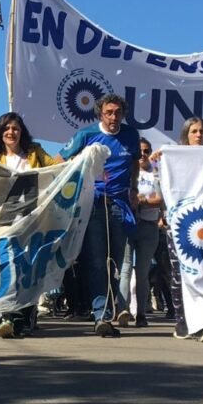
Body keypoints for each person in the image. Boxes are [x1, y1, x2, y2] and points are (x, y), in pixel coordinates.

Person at [59, 94, 139, 338]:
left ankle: (110, 309)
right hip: (92, 205)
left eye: (117, 112)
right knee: (96, 261)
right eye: (109, 112)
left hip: (119, 206)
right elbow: (60, 160)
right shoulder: (86, 135)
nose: (113, 117)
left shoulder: (131, 135)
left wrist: (134, 188)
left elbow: (135, 162)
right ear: (100, 113)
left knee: (115, 263)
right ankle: (100, 316)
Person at [0, 112, 60, 338]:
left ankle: (26, 313)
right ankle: (8, 315)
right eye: (6, 128)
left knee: (28, 267)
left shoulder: (34, 153)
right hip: (5, 223)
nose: (11, 132)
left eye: (15, 128)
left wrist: (83, 159)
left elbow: (57, 168)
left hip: (33, 221)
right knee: (8, 265)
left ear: (21, 132)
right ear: (0, 132)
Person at [152, 117, 203, 343]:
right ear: (186, 134)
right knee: (179, 273)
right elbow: (162, 187)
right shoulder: (174, 157)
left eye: (202, 131)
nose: (198, 135)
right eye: (194, 131)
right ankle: (182, 320)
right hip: (179, 225)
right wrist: (157, 161)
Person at [119, 138, 163, 327]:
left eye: (146, 151)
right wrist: (140, 199)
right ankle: (123, 309)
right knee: (125, 268)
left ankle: (142, 313)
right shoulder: (127, 174)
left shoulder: (155, 175)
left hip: (149, 226)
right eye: (139, 151)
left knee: (143, 271)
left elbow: (160, 199)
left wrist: (141, 200)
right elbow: (121, 196)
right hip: (129, 225)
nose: (142, 155)